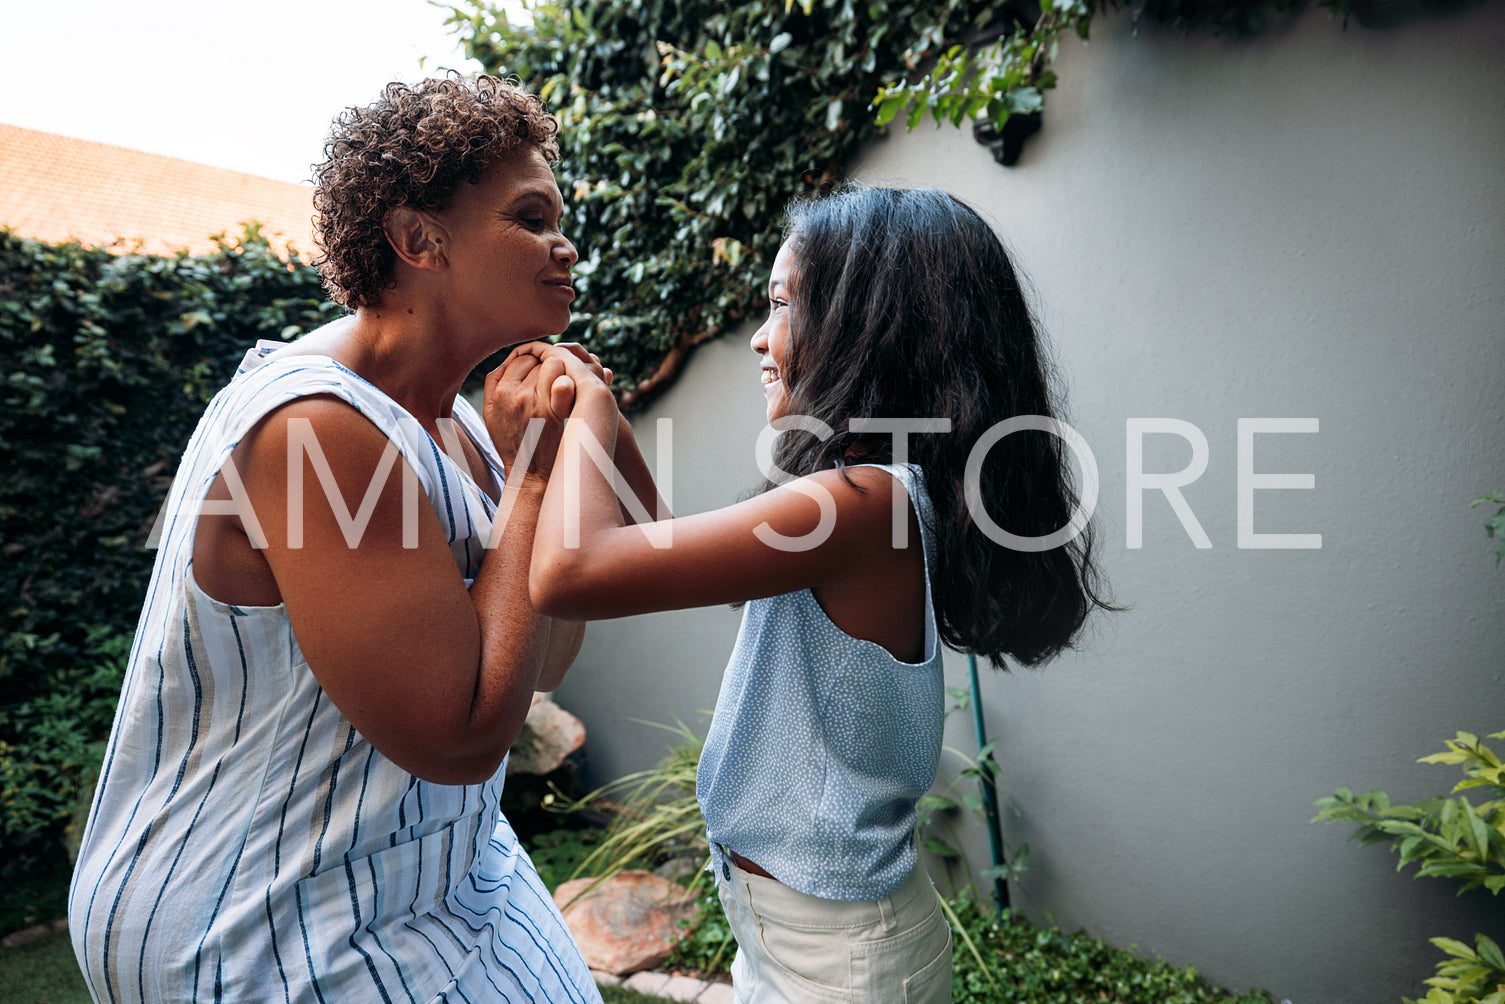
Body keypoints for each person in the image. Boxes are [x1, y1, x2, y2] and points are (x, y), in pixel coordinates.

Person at [67, 76, 644, 1003]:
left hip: (421, 872)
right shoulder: (316, 427)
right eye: (530, 217)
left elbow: (541, 658)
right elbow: (458, 739)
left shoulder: (457, 425)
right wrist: (534, 478)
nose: (563, 242)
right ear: (419, 241)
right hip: (262, 916)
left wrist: (558, 459)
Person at [524, 185, 1113, 1002]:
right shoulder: (873, 498)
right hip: (797, 929)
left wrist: (583, 414)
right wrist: (613, 422)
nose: (761, 338)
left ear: (875, 326)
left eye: (782, 304)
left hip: (838, 958)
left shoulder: (857, 506)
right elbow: (651, 548)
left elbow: (570, 572)